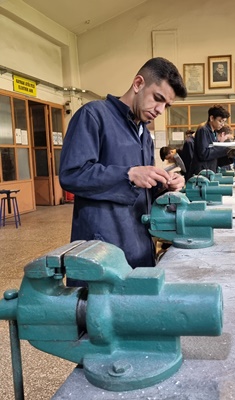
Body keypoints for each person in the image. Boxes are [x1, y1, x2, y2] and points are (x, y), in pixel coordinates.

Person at [59, 57, 187, 286]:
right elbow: (72, 174)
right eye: (158, 99)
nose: (159, 110)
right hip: (102, 249)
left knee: (138, 312)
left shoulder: (144, 135)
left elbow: (140, 189)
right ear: (138, 84)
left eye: (166, 105)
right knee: (99, 315)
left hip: (139, 243)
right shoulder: (94, 116)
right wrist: (128, 174)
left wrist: (163, 185)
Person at [188, 104, 234, 176]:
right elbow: (203, 154)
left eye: (224, 121)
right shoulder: (203, 130)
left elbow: (214, 155)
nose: (222, 124)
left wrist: (230, 154)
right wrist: (226, 149)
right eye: (220, 121)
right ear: (212, 118)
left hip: (209, 171)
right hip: (201, 173)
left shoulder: (214, 132)